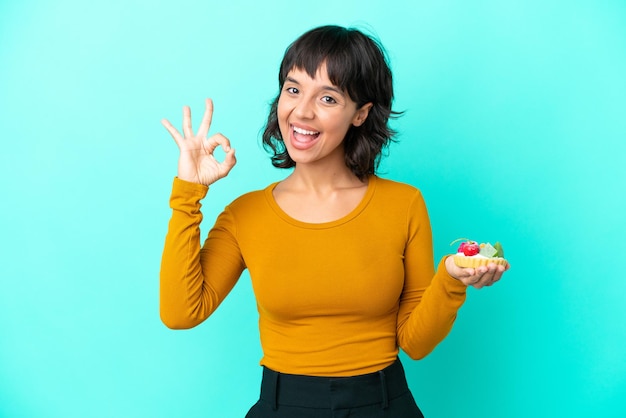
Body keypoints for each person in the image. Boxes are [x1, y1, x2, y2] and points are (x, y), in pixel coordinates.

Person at [160, 25, 509, 417]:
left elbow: (415, 342)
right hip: (284, 406)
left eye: (328, 97)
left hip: (383, 404)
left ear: (360, 113)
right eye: (293, 90)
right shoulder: (246, 214)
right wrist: (188, 193)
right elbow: (181, 312)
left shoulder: (403, 204)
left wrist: (449, 279)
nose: (302, 111)